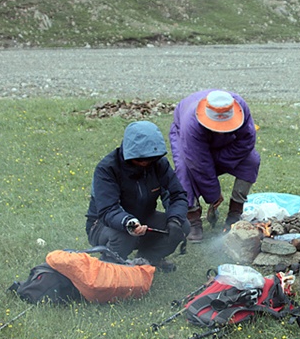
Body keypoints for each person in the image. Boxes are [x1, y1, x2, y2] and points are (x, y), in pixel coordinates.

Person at [85, 121, 190, 272]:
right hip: (103, 225)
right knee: (124, 235)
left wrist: (174, 220)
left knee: (182, 225)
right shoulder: (107, 169)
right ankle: (110, 266)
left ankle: (147, 260)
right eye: (140, 159)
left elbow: (177, 195)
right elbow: (107, 210)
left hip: (145, 218)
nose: (145, 163)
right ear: (128, 152)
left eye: (150, 159)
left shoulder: (159, 164)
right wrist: (128, 222)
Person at [169, 89, 260, 241]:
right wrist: (213, 193)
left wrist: (218, 160)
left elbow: (247, 141)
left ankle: (235, 214)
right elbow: (198, 163)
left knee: (251, 160)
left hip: (226, 143)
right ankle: (193, 219)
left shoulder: (240, 107)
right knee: (184, 170)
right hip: (188, 140)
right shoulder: (190, 123)